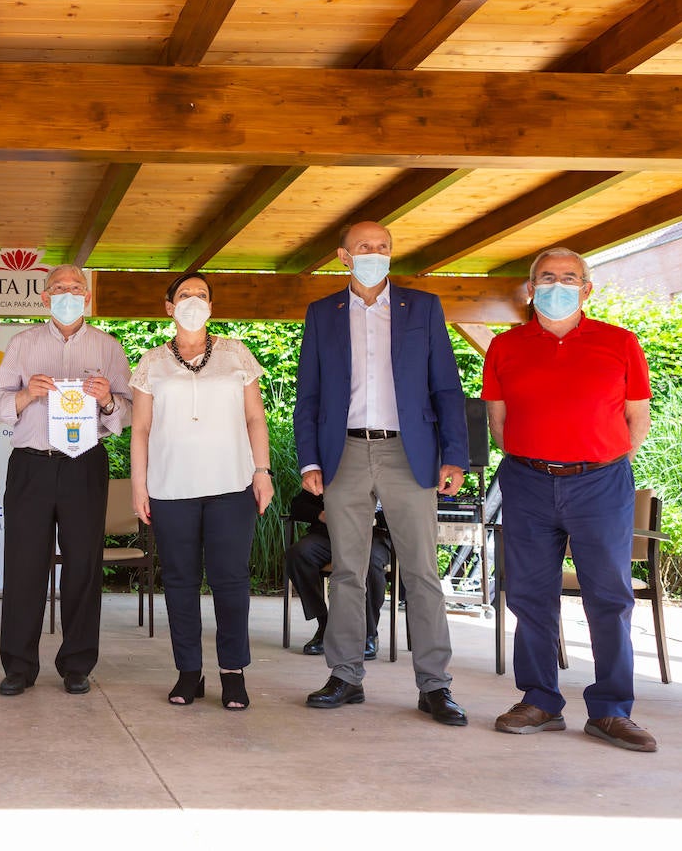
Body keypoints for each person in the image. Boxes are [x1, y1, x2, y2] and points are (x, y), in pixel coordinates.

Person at [293, 221, 471, 726]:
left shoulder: (423, 307)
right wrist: (310, 459)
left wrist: (453, 456)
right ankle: (345, 676)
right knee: (348, 569)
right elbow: (308, 394)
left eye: (383, 247)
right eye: (364, 248)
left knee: (421, 571)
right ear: (344, 257)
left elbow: (447, 388)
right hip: (344, 451)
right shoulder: (322, 313)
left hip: (408, 453)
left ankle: (435, 686)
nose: (375, 254)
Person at [483, 247, 656, 752]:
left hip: (600, 483)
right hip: (527, 481)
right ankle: (539, 699)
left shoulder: (620, 342)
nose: (557, 284)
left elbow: (636, 420)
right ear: (531, 287)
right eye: (546, 277)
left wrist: (591, 457)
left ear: (587, 288)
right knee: (529, 596)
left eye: (568, 277)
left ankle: (610, 710)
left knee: (609, 597)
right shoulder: (505, 347)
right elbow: (499, 423)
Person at [129, 272, 272, 709]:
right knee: (179, 582)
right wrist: (140, 486)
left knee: (230, 580)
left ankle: (233, 672)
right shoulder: (152, 362)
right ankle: (189, 671)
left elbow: (254, 418)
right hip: (171, 487)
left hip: (231, 483)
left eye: (202, 295)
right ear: (168, 306)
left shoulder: (236, 354)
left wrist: (262, 471)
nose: (194, 300)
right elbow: (140, 429)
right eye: (185, 295)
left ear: (212, 305)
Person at [0, 264, 132, 696]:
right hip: (31, 464)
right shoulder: (22, 343)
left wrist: (107, 400)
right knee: (24, 566)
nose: (68, 294)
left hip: (84, 464)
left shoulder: (108, 347)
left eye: (76, 288)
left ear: (87, 297)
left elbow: (128, 410)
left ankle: (77, 664)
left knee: (84, 567)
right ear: (45, 297)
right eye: (59, 288)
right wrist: (27, 393)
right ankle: (18, 666)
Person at [285, 490, 393, 659]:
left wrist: (371, 518)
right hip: (331, 534)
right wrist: (321, 514)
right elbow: (297, 506)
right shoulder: (333, 470)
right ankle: (325, 625)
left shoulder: (390, 473)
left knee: (370, 563)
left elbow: (406, 514)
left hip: (375, 536)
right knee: (299, 554)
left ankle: (369, 634)